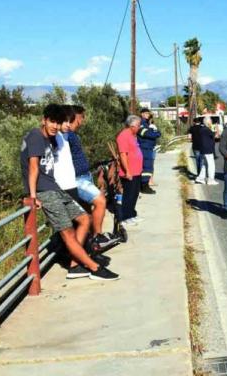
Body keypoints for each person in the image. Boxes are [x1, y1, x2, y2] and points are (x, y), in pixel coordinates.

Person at [21, 104, 118, 281]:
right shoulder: (35, 136)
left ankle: (75, 264)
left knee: (83, 219)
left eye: (58, 123)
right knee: (67, 232)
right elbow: (33, 167)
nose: (55, 126)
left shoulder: (49, 138)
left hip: (55, 188)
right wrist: (33, 196)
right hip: (45, 192)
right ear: (43, 120)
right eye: (52, 122)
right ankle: (93, 267)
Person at [68, 105, 118, 253]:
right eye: (82, 117)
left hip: (84, 176)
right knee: (100, 200)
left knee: (87, 214)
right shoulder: (67, 135)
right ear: (76, 117)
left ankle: (86, 245)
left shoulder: (73, 135)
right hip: (77, 178)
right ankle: (98, 237)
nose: (83, 120)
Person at [117, 115, 144, 226]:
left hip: (137, 170)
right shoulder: (123, 136)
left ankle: (132, 214)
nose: (140, 127)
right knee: (129, 195)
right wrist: (127, 171)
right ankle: (125, 217)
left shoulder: (133, 135)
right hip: (130, 171)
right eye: (138, 125)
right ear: (132, 126)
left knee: (134, 194)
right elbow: (123, 155)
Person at [138, 108, 161, 195]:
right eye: (146, 113)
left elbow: (157, 134)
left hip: (148, 148)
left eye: (148, 113)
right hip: (144, 148)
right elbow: (149, 134)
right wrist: (155, 131)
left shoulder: (147, 124)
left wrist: (155, 131)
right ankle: (144, 186)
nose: (148, 115)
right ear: (142, 114)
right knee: (147, 168)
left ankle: (145, 185)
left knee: (148, 167)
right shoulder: (141, 124)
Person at [195, 116, 218, 185]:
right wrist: (216, 129)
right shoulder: (207, 130)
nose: (211, 122)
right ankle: (211, 179)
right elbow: (216, 136)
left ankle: (200, 178)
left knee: (204, 165)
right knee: (211, 165)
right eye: (211, 121)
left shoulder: (203, 129)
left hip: (203, 149)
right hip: (208, 150)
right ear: (208, 122)